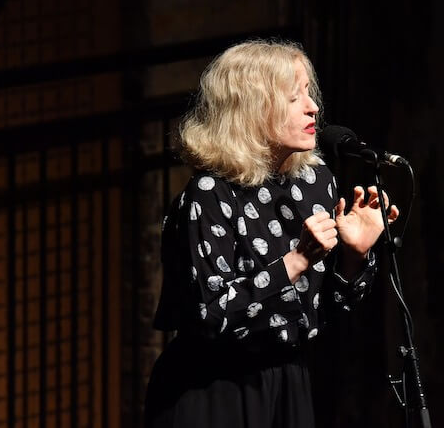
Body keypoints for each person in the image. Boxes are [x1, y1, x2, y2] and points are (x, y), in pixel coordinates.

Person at [144, 40, 399, 428]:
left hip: (289, 382)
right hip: (215, 388)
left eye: (309, 94)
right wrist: (296, 261)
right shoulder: (209, 195)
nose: (314, 107)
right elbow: (213, 315)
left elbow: (324, 309)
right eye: (295, 98)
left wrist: (354, 256)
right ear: (253, 109)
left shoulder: (314, 182)